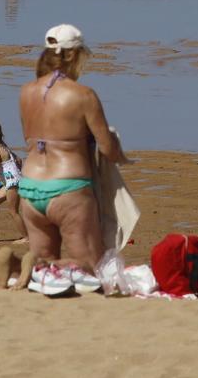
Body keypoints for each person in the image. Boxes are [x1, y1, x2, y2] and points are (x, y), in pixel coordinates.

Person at [17, 23, 128, 282]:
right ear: (73, 55)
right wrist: (120, 151)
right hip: (69, 189)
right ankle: (35, 264)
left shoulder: (26, 92)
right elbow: (108, 149)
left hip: (30, 187)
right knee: (90, 266)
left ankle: (19, 263)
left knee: (45, 272)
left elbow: (29, 139)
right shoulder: (83, 95)